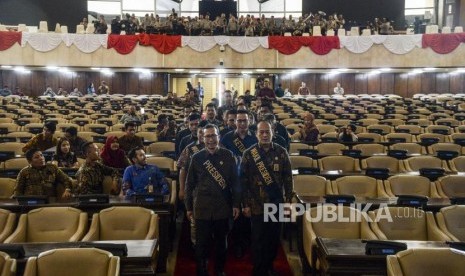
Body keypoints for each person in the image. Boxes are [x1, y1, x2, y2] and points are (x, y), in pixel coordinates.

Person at [185, 124, 241, 276]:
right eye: (207, 136)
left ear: (218, 137)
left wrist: (236, 204)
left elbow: (235, 183)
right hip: (202, 208)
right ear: (202, 139)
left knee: (221, 244)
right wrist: (189, 207)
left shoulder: (228, 155)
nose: (211, 139)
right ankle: (202, 271)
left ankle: (219, 270)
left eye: (213, 135)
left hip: (223, 207)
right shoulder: (196, 158)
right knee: (201, 245)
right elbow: (189, 185)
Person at [241, 120, 294, 276]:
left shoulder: (281, 152)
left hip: (276, 204)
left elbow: (288, 179)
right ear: (256, 133)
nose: (264, 135)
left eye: (267, 132)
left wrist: (288, 202)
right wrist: (245, 204)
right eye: (261, 132)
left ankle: (269, 266)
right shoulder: (249, 154)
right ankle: (258, 269)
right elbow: (243, 182)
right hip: (256, 205)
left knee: (273, 240)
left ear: (272, 133)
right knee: (257, 240)